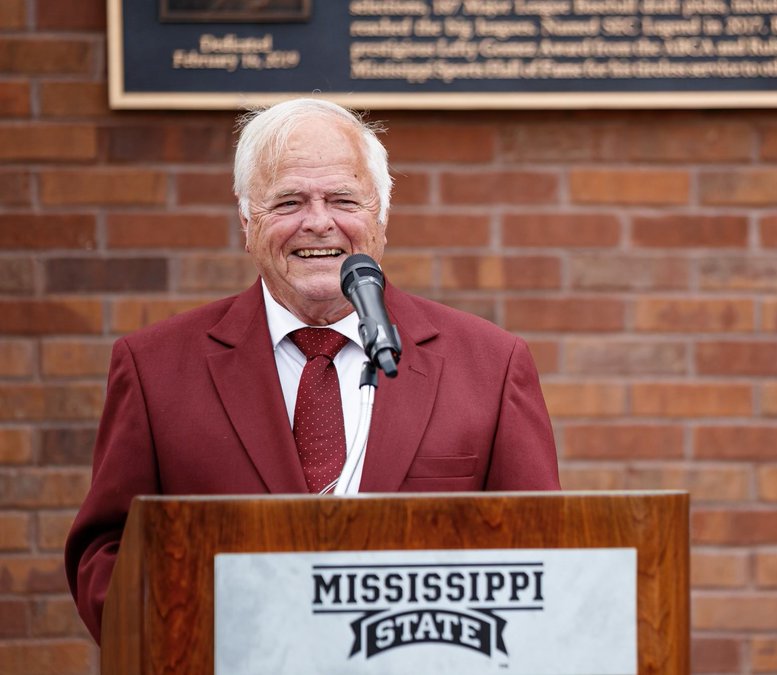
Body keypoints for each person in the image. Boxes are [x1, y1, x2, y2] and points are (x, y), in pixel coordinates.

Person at [64, 98, 560, 643]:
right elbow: (105, 551)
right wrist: (180, 638)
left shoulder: (489, 365)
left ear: (381, 218)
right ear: (247, 220)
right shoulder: (154, 368)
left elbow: (542, 554)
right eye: (289, 201)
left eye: (344, 199)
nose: (319, 222)